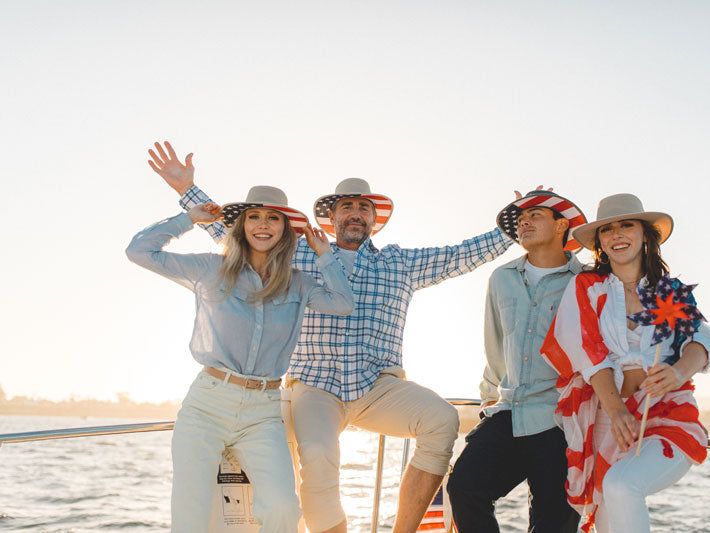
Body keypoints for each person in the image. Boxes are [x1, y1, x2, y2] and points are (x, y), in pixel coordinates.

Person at [147, 141, 514, 533]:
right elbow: (236, 229)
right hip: (315, 386)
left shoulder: (401, 264)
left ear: (374, 219)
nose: (355, 214)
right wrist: (186, 189)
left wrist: (514, 225)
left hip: (379, 385)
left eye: (364, 208)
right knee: (318, 453)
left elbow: (463, 254)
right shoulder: (296, 255)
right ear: (332, 217)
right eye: (347, 207)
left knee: (442, 420)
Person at [126, 184, 354, 533]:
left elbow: (343, 303)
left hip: (263, 413)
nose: (263, 225)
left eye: (273, 218)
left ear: (285, 229)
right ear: (242, 225)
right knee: (191, 516)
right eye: (254, 217)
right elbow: (139, 251)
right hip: (207, 405)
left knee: (282, 509)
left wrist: (325, 255)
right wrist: (187, 218)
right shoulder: (210, 268)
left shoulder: (298, 283)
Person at [540, 193, 710, 533]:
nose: (617, 235)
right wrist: (618, 410)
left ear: (644, 234)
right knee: (608, 514)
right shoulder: (588, 287)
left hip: (667, 415)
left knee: (622, 487)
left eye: (626, 225)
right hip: (610, 418)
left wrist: (679, 371)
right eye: (607, 230)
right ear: (600, 243)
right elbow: (586, 351)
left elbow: (703, 338)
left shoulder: (672, 291)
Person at [447, 189, 585, 533]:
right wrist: (489, 398)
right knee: (463, 488)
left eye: (535, 215)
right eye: (520, 220)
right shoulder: (501, 278)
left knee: (554, 523)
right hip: (507, 413)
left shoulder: (586, 282)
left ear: (561, 226)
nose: (523, 223)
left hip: (561, 420)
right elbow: (494, 345)